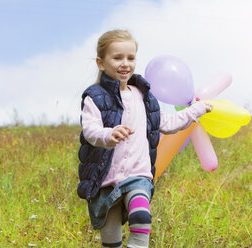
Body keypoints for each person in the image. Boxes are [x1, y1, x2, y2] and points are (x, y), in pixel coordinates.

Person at [77, 29, 212, 248]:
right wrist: (108, 135)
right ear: (101, 63)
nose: (125, 63)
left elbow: (166, 123)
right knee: (111, 240)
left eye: (130, 58)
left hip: (138, 174)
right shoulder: (95, 97)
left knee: (141, 216)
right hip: (106, 179)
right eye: (117, 57)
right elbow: (90, 130)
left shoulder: (143, 96)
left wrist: (196, 110)